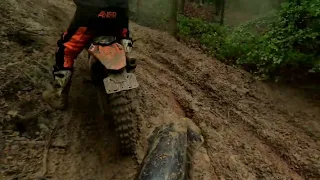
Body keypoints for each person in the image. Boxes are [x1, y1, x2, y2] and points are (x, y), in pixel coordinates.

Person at [42, 0, 132, 110]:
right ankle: (127, 56)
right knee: (124, 37)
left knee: (66, 50)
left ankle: (58, 96)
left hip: (90, 12)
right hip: (119, 13)